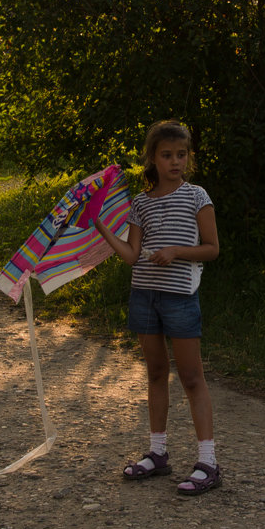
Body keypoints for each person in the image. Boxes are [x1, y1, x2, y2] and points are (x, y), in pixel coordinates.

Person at [93, 120, 221, 495]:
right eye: (167, 155)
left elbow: (212, 248)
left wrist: (177, 252)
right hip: (144, 296)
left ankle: (208, 462)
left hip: (180, 297)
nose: (175, 162)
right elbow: (132, 256)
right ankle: (158, 453)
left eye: (181, 154)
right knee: (154, 373)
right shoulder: (140, 203)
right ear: (152, 158)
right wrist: (101, 227)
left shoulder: (198, 196)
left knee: (192, 377)